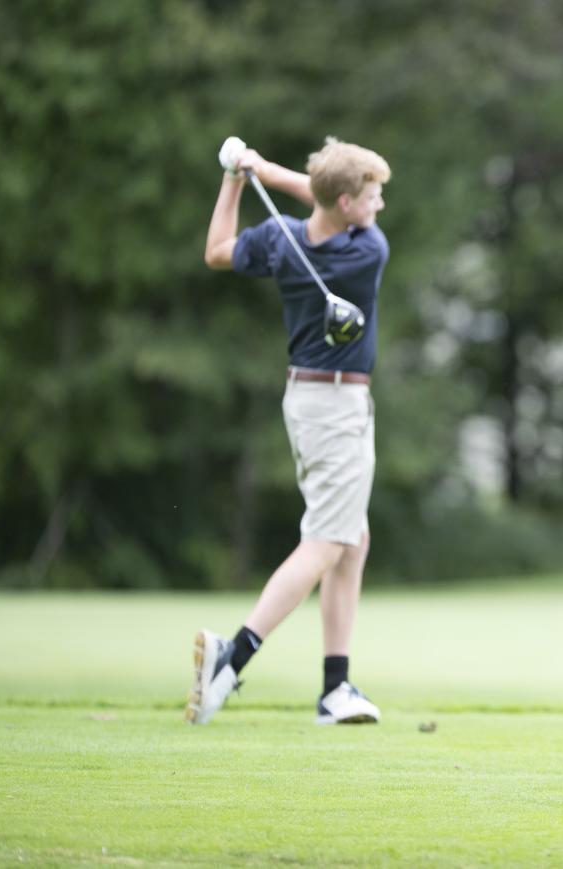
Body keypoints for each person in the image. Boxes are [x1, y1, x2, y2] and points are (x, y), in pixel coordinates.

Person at [191, 136, 391, 725]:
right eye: (374, 196)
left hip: (308, 400)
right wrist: (269, 172)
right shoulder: (368, 249)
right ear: (352, 204)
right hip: (336, 408)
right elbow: (325, 198)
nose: (380, 206)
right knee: (327, 543)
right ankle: (231, 658)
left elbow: (218, 250)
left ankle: (336, 690)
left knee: (352, 540)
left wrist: (237, 177)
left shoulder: (282, 241)